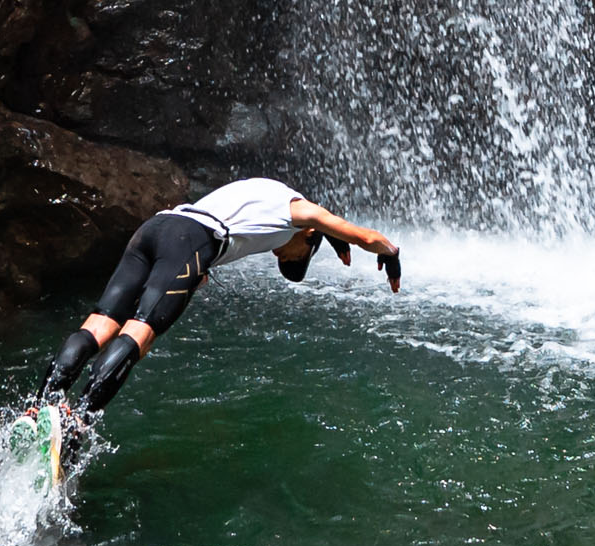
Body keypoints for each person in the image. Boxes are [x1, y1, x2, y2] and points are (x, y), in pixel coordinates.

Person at [38, 177, 402, 421]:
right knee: (141, 332)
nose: (281, 255)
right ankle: (77, 421)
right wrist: (391, 252)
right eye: (296, 256)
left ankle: (41, 407)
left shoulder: (266, 189)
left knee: (100, 323)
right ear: (309, 234)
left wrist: (330, 232)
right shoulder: (301, 214)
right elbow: (365, 237)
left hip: (156, 227)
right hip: (190, 240)